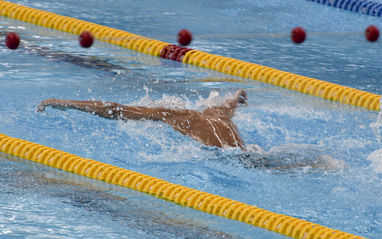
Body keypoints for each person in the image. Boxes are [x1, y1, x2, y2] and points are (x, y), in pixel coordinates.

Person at [37, 90, 248, 150]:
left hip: (221, 159)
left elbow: (115, 110)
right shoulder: (218, 114)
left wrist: (64, 102)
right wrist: (237, 97)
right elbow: (230, 104)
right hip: (251, 157)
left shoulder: (175, 115)